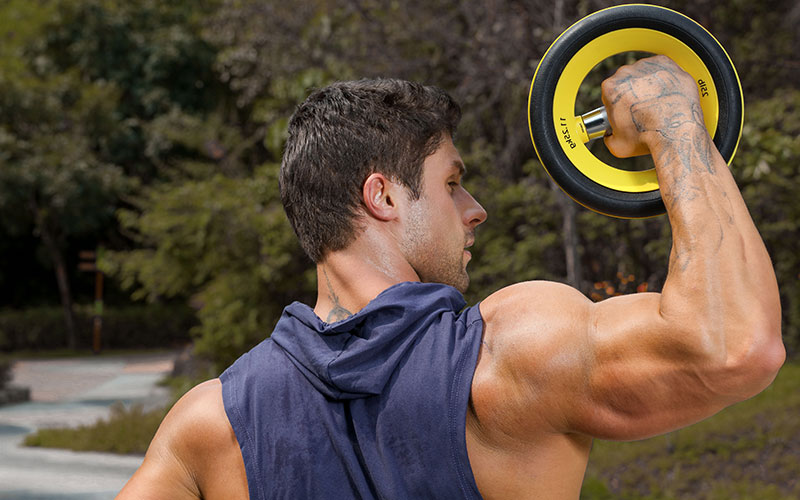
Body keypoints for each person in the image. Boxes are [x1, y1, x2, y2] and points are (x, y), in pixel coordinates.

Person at [117, 55, 785, 499]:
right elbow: (735, 346)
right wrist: (673, 120)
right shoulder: (510, 358)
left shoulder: (209, 425)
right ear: (382, 197)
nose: (475, 210)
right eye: (453, 184)